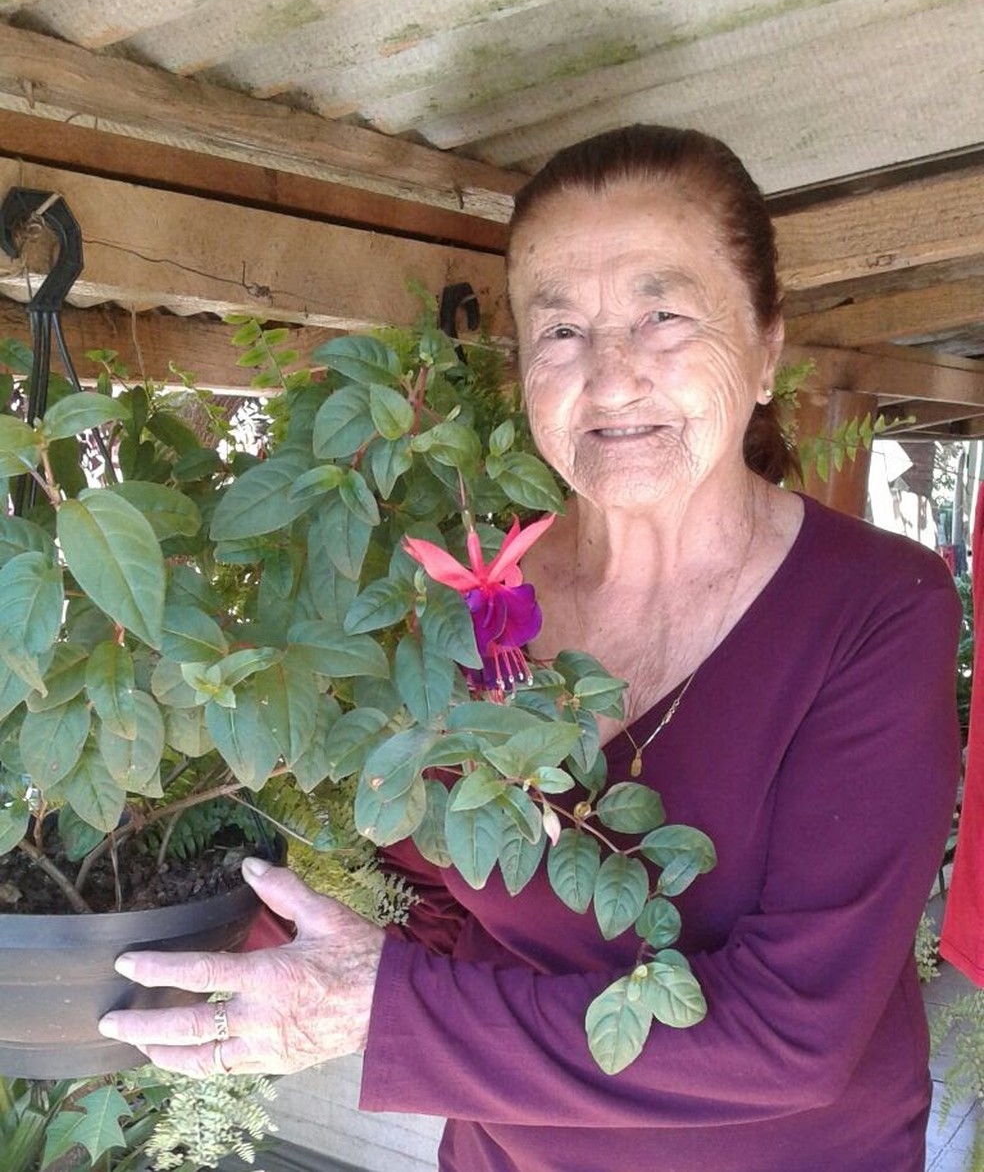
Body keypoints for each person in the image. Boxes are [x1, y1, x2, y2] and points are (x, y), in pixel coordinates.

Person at [99, 125, 962, 1172]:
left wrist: (374, 1011)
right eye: (561, 334)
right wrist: (234, 947)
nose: (609, 380)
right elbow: (434, 903)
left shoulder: (876, 604)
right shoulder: (469, 602)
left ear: (768, 345)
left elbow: (795, 1037)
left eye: (663, 315)